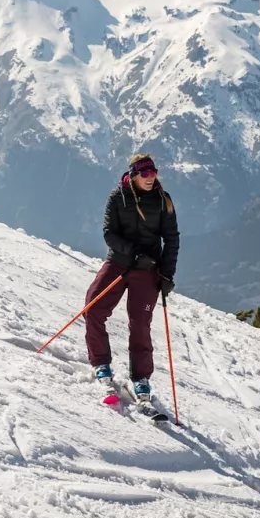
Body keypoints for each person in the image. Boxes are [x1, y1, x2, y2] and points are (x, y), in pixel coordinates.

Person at [85, 153, 180, 400]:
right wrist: (134, 253)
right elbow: (109, 234)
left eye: (154, 172)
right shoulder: (117, 197)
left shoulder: (163, 201)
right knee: (93, 307)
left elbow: (171, 239)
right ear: (134, 175)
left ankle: (141, 379)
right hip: (118, 263)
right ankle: (101, 363)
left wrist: (167, 274)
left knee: (140, 325)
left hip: (148, 271)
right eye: (146, 173)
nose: (151, 177)